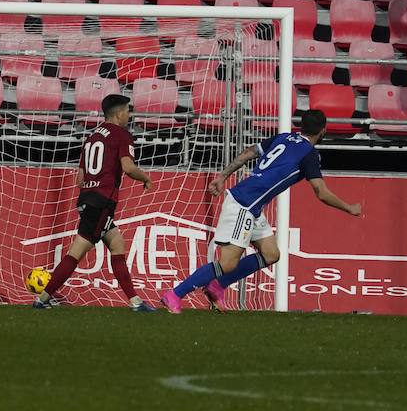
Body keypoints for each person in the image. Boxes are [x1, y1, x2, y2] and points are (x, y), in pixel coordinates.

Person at [146, 110, 362, 314]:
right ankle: (175, 294)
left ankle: (218, 285)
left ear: (301, 126)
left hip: (253, 206)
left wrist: (223, 175)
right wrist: (349, 207)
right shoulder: (309, 155)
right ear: (323, 130)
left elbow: (249, 152)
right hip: (244, 204)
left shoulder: (283, 137)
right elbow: (321, 192)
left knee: (271, 254)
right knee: (228, 263)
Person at [30, 94, 153, 311]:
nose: (129, 115)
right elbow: (128, 167)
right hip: (102, 201)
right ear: (117, 113)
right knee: (76, 252)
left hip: (87, 197)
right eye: (127, 111)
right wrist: (146, 178)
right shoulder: (122, 135)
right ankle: (42, 298)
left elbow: (79, 178)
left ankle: (135, 301)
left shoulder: (92, 136)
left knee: (117, 244)